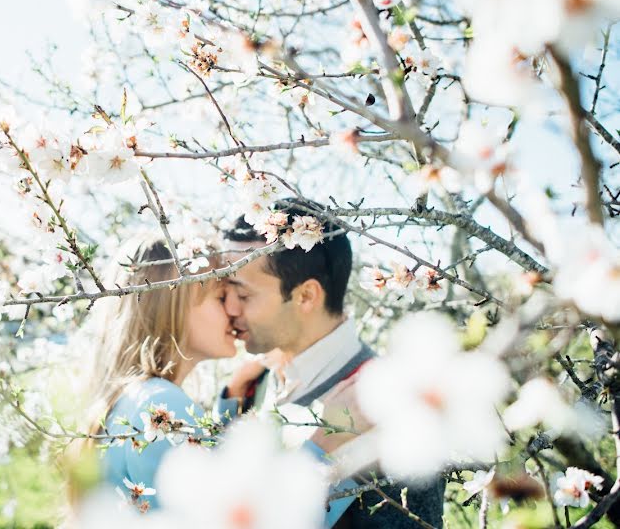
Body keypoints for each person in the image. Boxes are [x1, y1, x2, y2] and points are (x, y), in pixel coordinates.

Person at [76, 234, 358, 525]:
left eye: (241, 296)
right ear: (178, 304)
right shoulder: (160, 403)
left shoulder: (140, 397)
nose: (232, 310)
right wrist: (327, 447)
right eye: (221, 297)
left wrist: (227, 414)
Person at [219, 198, 446, 529]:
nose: (229, 307)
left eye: (243, 294)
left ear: (306, 296)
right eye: (224, 291)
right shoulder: (252, 386)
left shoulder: (392, 413)